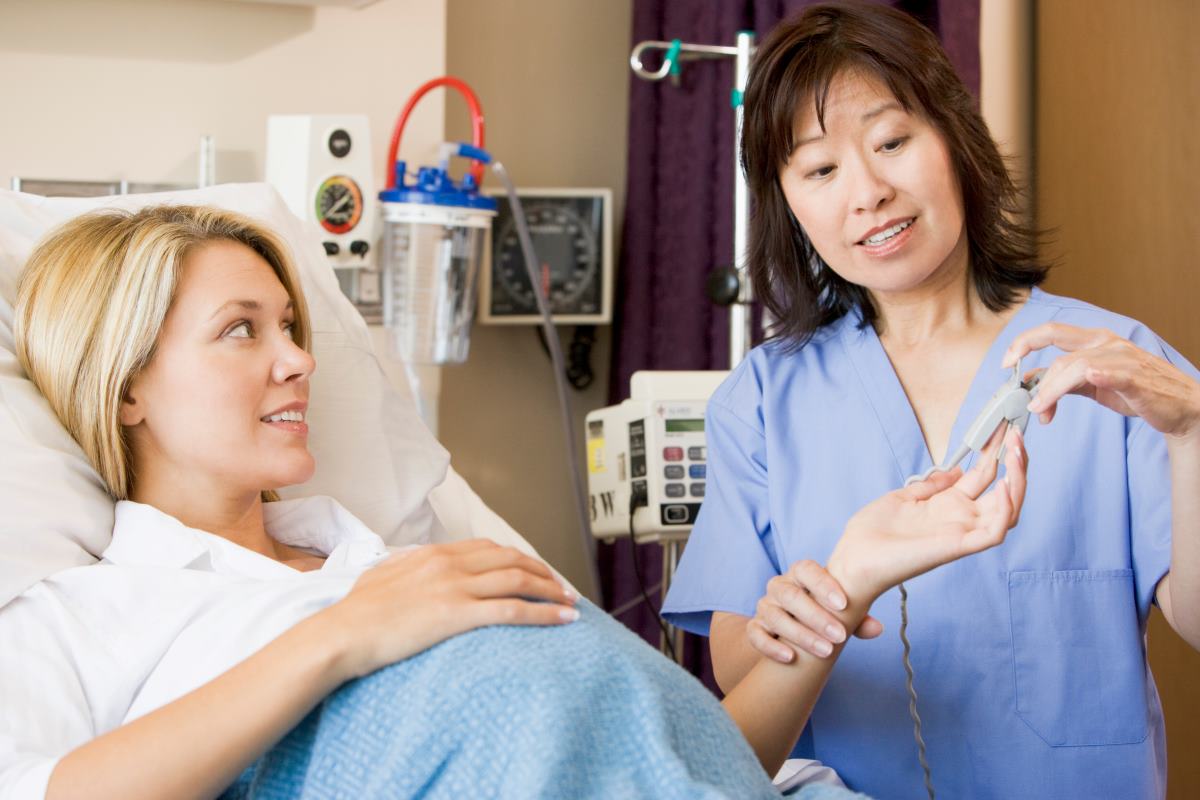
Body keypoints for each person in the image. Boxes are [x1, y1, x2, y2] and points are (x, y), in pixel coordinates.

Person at [3, 202, 1032, 799]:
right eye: (242, 330)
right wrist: (339, 637)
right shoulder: (86, 615)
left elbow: (694, 755)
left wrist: (849, 579)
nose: (298, 359)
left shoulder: (403, 557)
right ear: (127, 385)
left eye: (290, 325)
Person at [661, 3, 1200, 799]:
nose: (869, 193)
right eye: (820, 170)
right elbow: (743, 709)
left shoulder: (1110, 365)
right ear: (788, 204)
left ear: (955, 139)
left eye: (891, 142)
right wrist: (830, 600)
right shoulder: (765, 401)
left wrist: (1192, 433)